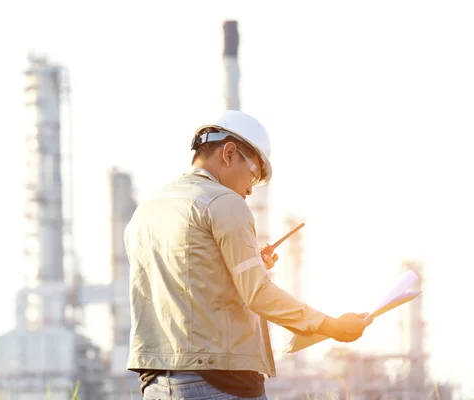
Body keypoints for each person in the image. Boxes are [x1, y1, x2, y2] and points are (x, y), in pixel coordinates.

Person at [123, 110, 373, 400]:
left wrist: (248, 265)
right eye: (253, 174)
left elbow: (185, 289)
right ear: (229, 153)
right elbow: (258, 293)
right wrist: (331, 326)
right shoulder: (223, 202)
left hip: (155, 381)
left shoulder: (146, 211)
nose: (250, 191)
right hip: (218, 382)